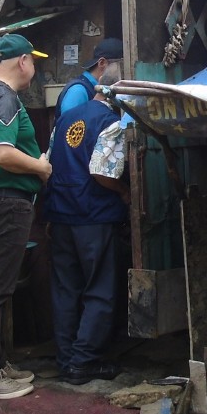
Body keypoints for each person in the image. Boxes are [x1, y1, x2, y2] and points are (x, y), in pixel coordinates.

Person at [0, 33, 51, 400]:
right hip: (6, 201)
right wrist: (40, 167)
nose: (34, 68)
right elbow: (1, 153)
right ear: (22, 61)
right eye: (33, 61)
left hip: (0, 201)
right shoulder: (3, 97)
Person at [44, 87, 129, 383]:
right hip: (94, 217)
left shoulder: (64, 119)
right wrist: (124, 191)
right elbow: (102, 173)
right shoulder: (110, 122)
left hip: (61, 215)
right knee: (100, 289)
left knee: (66, 290)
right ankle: (83, 362)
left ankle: (66, 360)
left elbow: (48, 165)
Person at [56, 37, 123, 115]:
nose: (123, 70)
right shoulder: (78, 91)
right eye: (121, 65)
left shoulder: (104, 89)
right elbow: (69, 121)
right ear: (102, 63)